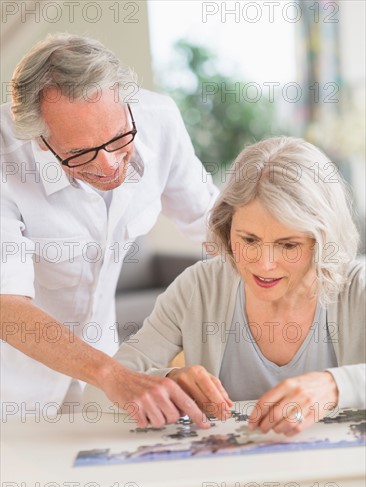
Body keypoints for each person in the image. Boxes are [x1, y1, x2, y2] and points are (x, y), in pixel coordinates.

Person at [0, 33, 221, 428]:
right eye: (80, 154)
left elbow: (215, 225)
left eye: (119, 139)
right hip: (12, 387)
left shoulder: (158, 119)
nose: (107, 166)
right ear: (38, 137)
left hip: (99, 373)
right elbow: (7, 306)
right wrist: (114, 375)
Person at [112, 136, 365, 435]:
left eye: (288, 245)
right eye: (249, 240)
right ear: (226, 227)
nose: (264, 264)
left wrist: (334, 386)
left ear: (323, 242)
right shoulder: (200, 287)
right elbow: (106, 384)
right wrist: (167, 381)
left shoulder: (357, 287)